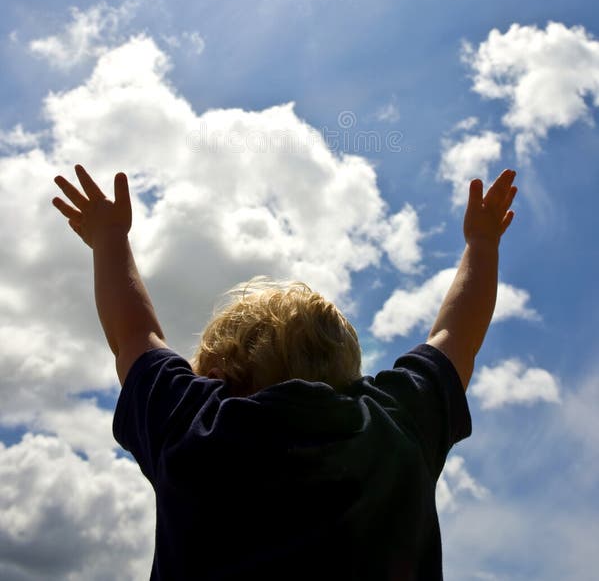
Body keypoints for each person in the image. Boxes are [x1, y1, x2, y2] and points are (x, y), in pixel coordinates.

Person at [52, 164, 517, 581]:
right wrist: (482, 244)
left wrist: (109, 236)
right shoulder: (395, 425)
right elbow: (457, 336)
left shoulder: (192, 425)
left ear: (216, 375)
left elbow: (133, 336)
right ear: (349, 376)